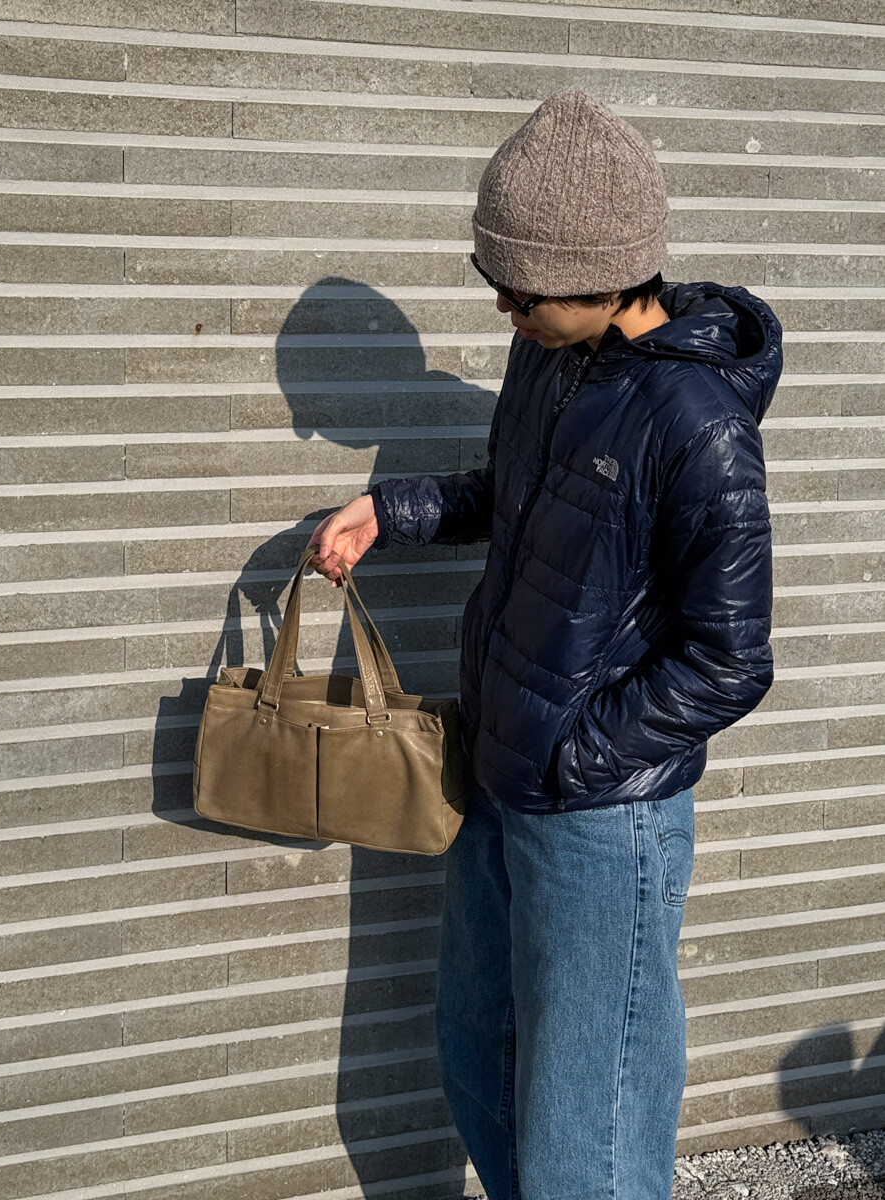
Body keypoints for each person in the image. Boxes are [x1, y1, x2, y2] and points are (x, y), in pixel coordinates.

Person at [306, 90, 783, 1200]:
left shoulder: (699, 426)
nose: (503, 309)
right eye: (495, 281)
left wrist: (576, 755)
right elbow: (517, 496)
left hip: (601, 814)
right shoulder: (552, 359)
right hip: (499, 773)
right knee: (483, 1060)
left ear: (607, 278)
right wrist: (395, 510)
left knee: (588, 1134)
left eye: (521, 292)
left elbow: (731, 657)